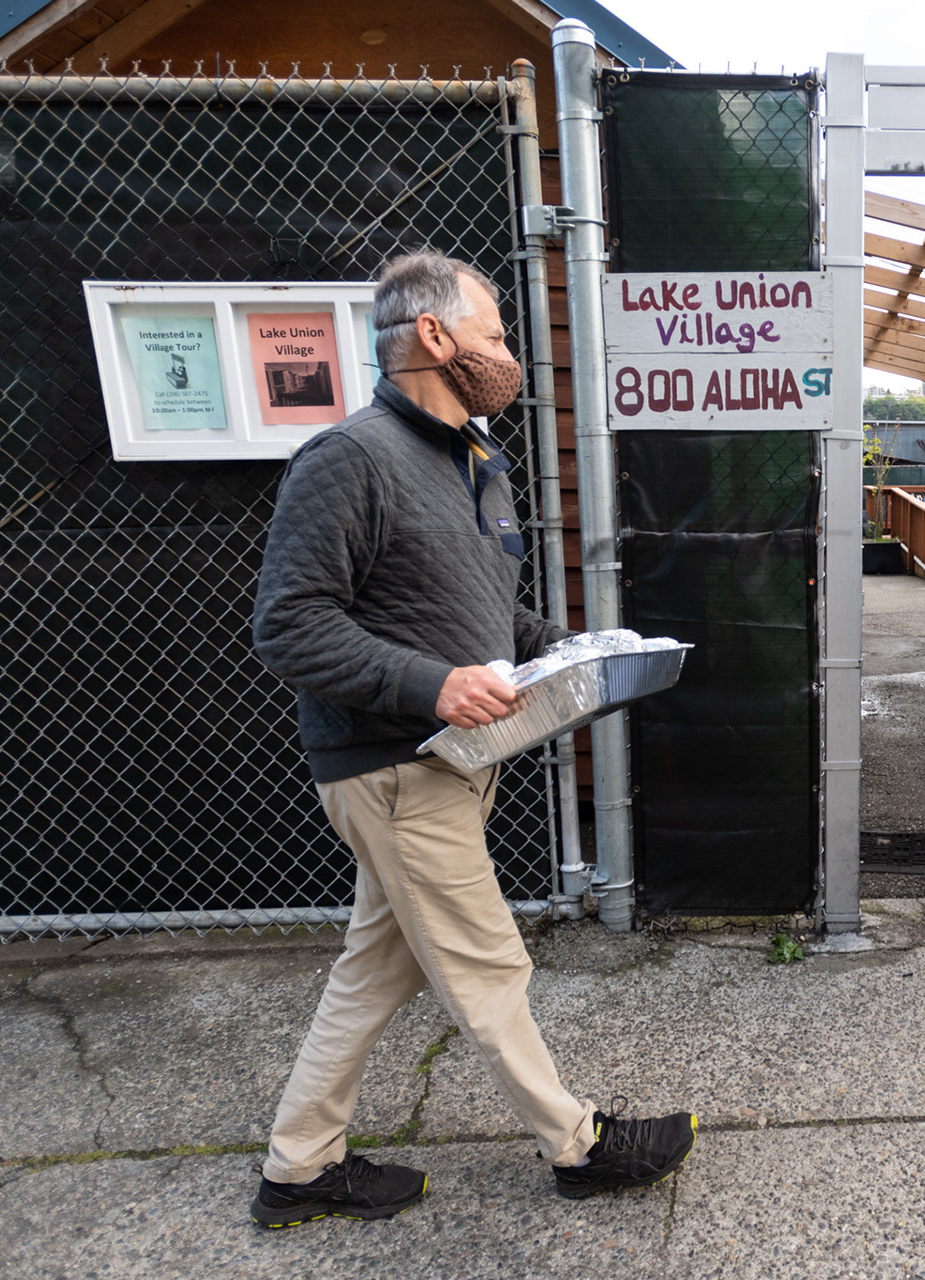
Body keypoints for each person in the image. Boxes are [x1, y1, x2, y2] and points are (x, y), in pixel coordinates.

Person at [248, 250, 696, 1226]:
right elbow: (288, 624)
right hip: (394, 767)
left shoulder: (475, 460)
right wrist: (432, 684)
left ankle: (297, 1165)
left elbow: (490, 615)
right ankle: (577, 1143)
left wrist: (574, 653)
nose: (507, 355)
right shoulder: (349, 458)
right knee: (491, 964)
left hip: (453, 762)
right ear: (433, 337)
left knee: (376, 970)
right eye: (493, 334)